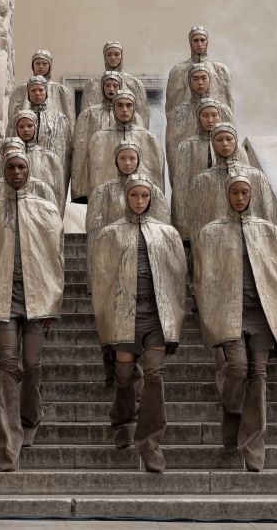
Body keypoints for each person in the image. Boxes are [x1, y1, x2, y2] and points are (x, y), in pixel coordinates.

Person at [193, 174, 277, 472]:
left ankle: (253, 447)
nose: (239, 197)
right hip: (229, 313)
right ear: (227, 195)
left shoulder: (269, 232)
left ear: (251, 195)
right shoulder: (211, 233)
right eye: (235, 192)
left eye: (244, 192)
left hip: (261, 314)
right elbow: (203, 279)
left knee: (258, 375)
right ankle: (232, 410)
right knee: (237, 368)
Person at [0, 152, 64, 471]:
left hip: (38, 298)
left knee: (31, 364)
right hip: (3, 299)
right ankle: (8, 443)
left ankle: (30, 417)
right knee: (8, 365)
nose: (16, 171)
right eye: (10, 166)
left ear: (29, 170)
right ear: (3, 170)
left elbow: (56, 259)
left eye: (21, 166)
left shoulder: (47, 210)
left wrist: (53, 301)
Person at [91, 175, 186, 472]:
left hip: (156, 313)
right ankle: (121, 420)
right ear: (126, 197)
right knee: (124, 374)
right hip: (122, 312)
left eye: (145, 196)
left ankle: (150, 444)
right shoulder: (110, 234)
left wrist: (175, 316)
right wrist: (105, 323)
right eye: (135, 196)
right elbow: (101, 280)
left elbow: (177, 277)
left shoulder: (167, 233)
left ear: (151, 198)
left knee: (154, 374)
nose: (140, 201)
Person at [188, 122, 276, 239]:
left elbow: (267, 214)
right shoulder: (201, 180)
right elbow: (196, 221)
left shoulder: (257, 176)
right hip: (216, 241)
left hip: (254, 238)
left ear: (236, 141)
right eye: (219, 140)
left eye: (229, 139)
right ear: (213, 143)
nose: (225, 144)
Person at [72, 71, 146, 202]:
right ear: (102, 87)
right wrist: (79, 187)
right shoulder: (88, 114)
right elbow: (81, 152)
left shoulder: (135, 118)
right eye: (108, 85)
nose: (111, 89)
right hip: (100, 171)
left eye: (115, 85)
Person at [168, 98, 230, 241]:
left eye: (214, 115)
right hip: (198, 209)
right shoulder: (187, 146)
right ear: (198, 117)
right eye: (205, 115)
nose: (210, 120)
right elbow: (181, 188)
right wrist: (183, 227)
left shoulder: (233, 146)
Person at [83, 91, 164, 198]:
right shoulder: (99, 139)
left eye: (129, 105)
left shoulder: (150, 138)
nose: (124, 109)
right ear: (113, 107)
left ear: (134, 107)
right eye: (120, 105)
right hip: (107, 200)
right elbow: (92, 176)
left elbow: (157, 178)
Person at [165, 64, 234, 177]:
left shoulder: (224, 110)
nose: (200, 82)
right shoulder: (179, 112)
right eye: (195, 79)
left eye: (203, 78)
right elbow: (172, 150)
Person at [8, 110, 67, 215]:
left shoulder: (50, 158)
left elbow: (59, 194)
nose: (26, 130)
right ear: (16, 129)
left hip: (43, 213)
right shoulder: (6, 159)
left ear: (36, 127)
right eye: (21, 127)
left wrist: (56, 218)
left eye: (30, 126)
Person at [165, 26, 234, 113]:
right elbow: (171, 105)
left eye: (202, 40)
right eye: (196, 40)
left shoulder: (220, 70)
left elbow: (228, 103)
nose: (199, 44)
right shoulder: (178, 70)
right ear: (190, 43)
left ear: (207, 42)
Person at [5, 49, 75, 135]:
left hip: (53, 133)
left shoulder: (61, 90)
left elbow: (70, 120)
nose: (41, 66)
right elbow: (12, 119)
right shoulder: (20, 89)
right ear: (32, 65)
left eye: (44, 63)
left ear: (50, 65)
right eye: (37, 63)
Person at [79, 42, 149, 123]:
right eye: (109, 54)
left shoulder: (135, 83)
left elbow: (143, 115)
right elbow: (86, 117)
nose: (113, 57)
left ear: (121, 56)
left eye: (116, 54)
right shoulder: (92, 83)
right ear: (104, 56)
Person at [21, 76, 72, 187]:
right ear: (28, 94)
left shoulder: (59, 118)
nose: (37, 93)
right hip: (25, 171)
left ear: (46, 92)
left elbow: (65, 150)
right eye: (33, 90)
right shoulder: (20, 118)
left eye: (40, 90)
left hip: (51, 171)